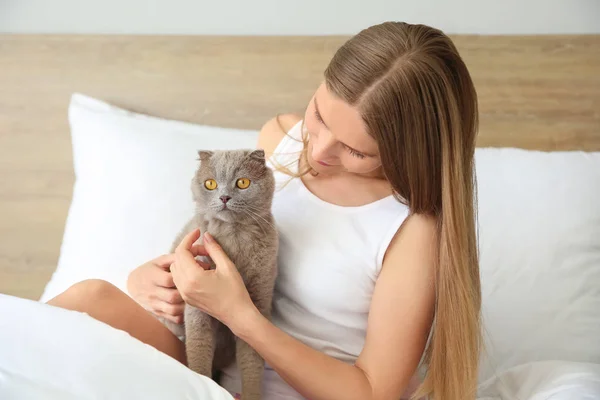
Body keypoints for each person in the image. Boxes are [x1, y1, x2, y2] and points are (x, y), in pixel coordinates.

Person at [47, 21, 481, 400]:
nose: (322, 151)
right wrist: (161, 283)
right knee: (89, 298)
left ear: (410, 151)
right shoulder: (280, 141)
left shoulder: (411, 228)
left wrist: (238, 314)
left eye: (355, 150)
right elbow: (220, 243)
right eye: (321, 116)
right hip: (211, 371)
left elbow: (371, 392)